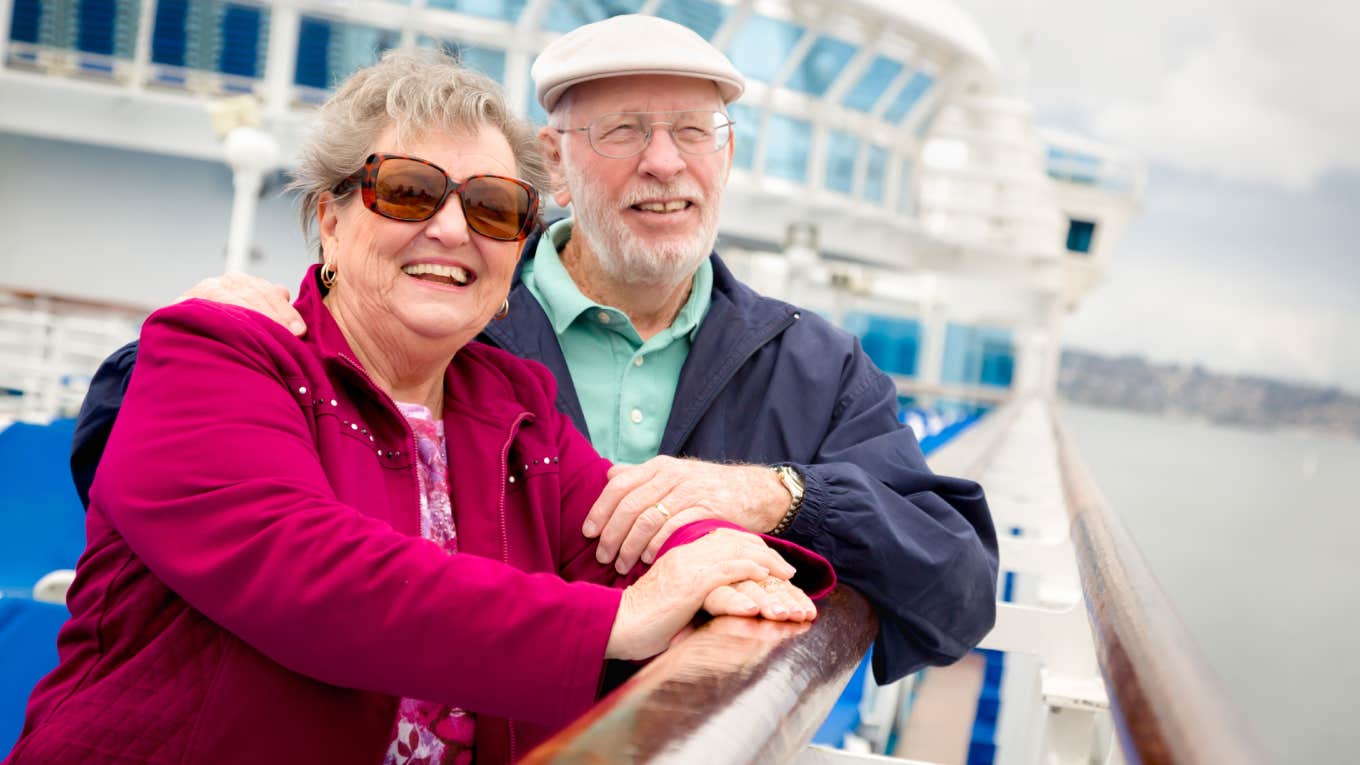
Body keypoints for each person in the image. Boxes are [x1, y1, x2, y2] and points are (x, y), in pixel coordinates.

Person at [70, 14, 997, 686]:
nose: (664, 162)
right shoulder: (441, 321)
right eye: (624, 131)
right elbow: (173, 457)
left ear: (725, 154)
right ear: (555, 162)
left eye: (693, 132)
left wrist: (778, 503)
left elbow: (957, 586)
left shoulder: (811, 366)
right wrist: (163, 345)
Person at [8, 52, 833, 765]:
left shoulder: (514, 409)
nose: (451, 228)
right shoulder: (219, 354)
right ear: (329, 219)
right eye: (408, 191)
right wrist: (622, 618)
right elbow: (313, 575)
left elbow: (621, 532)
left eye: (493, 206)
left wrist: (725, 562)